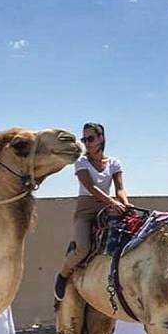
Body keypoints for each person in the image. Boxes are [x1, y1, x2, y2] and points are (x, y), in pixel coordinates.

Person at [54, 122, 131, 300]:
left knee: (130, 235)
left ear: (101, 138)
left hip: (108, 207)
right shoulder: (81, 162)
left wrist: (125, 204)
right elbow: (91, 187)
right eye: (84, 139)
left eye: (90, 138)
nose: (86, 143)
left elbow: (120, 188)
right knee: (83, 248)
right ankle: (63, 274)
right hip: (87, 210)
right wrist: (112, 202)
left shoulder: (113, 163)